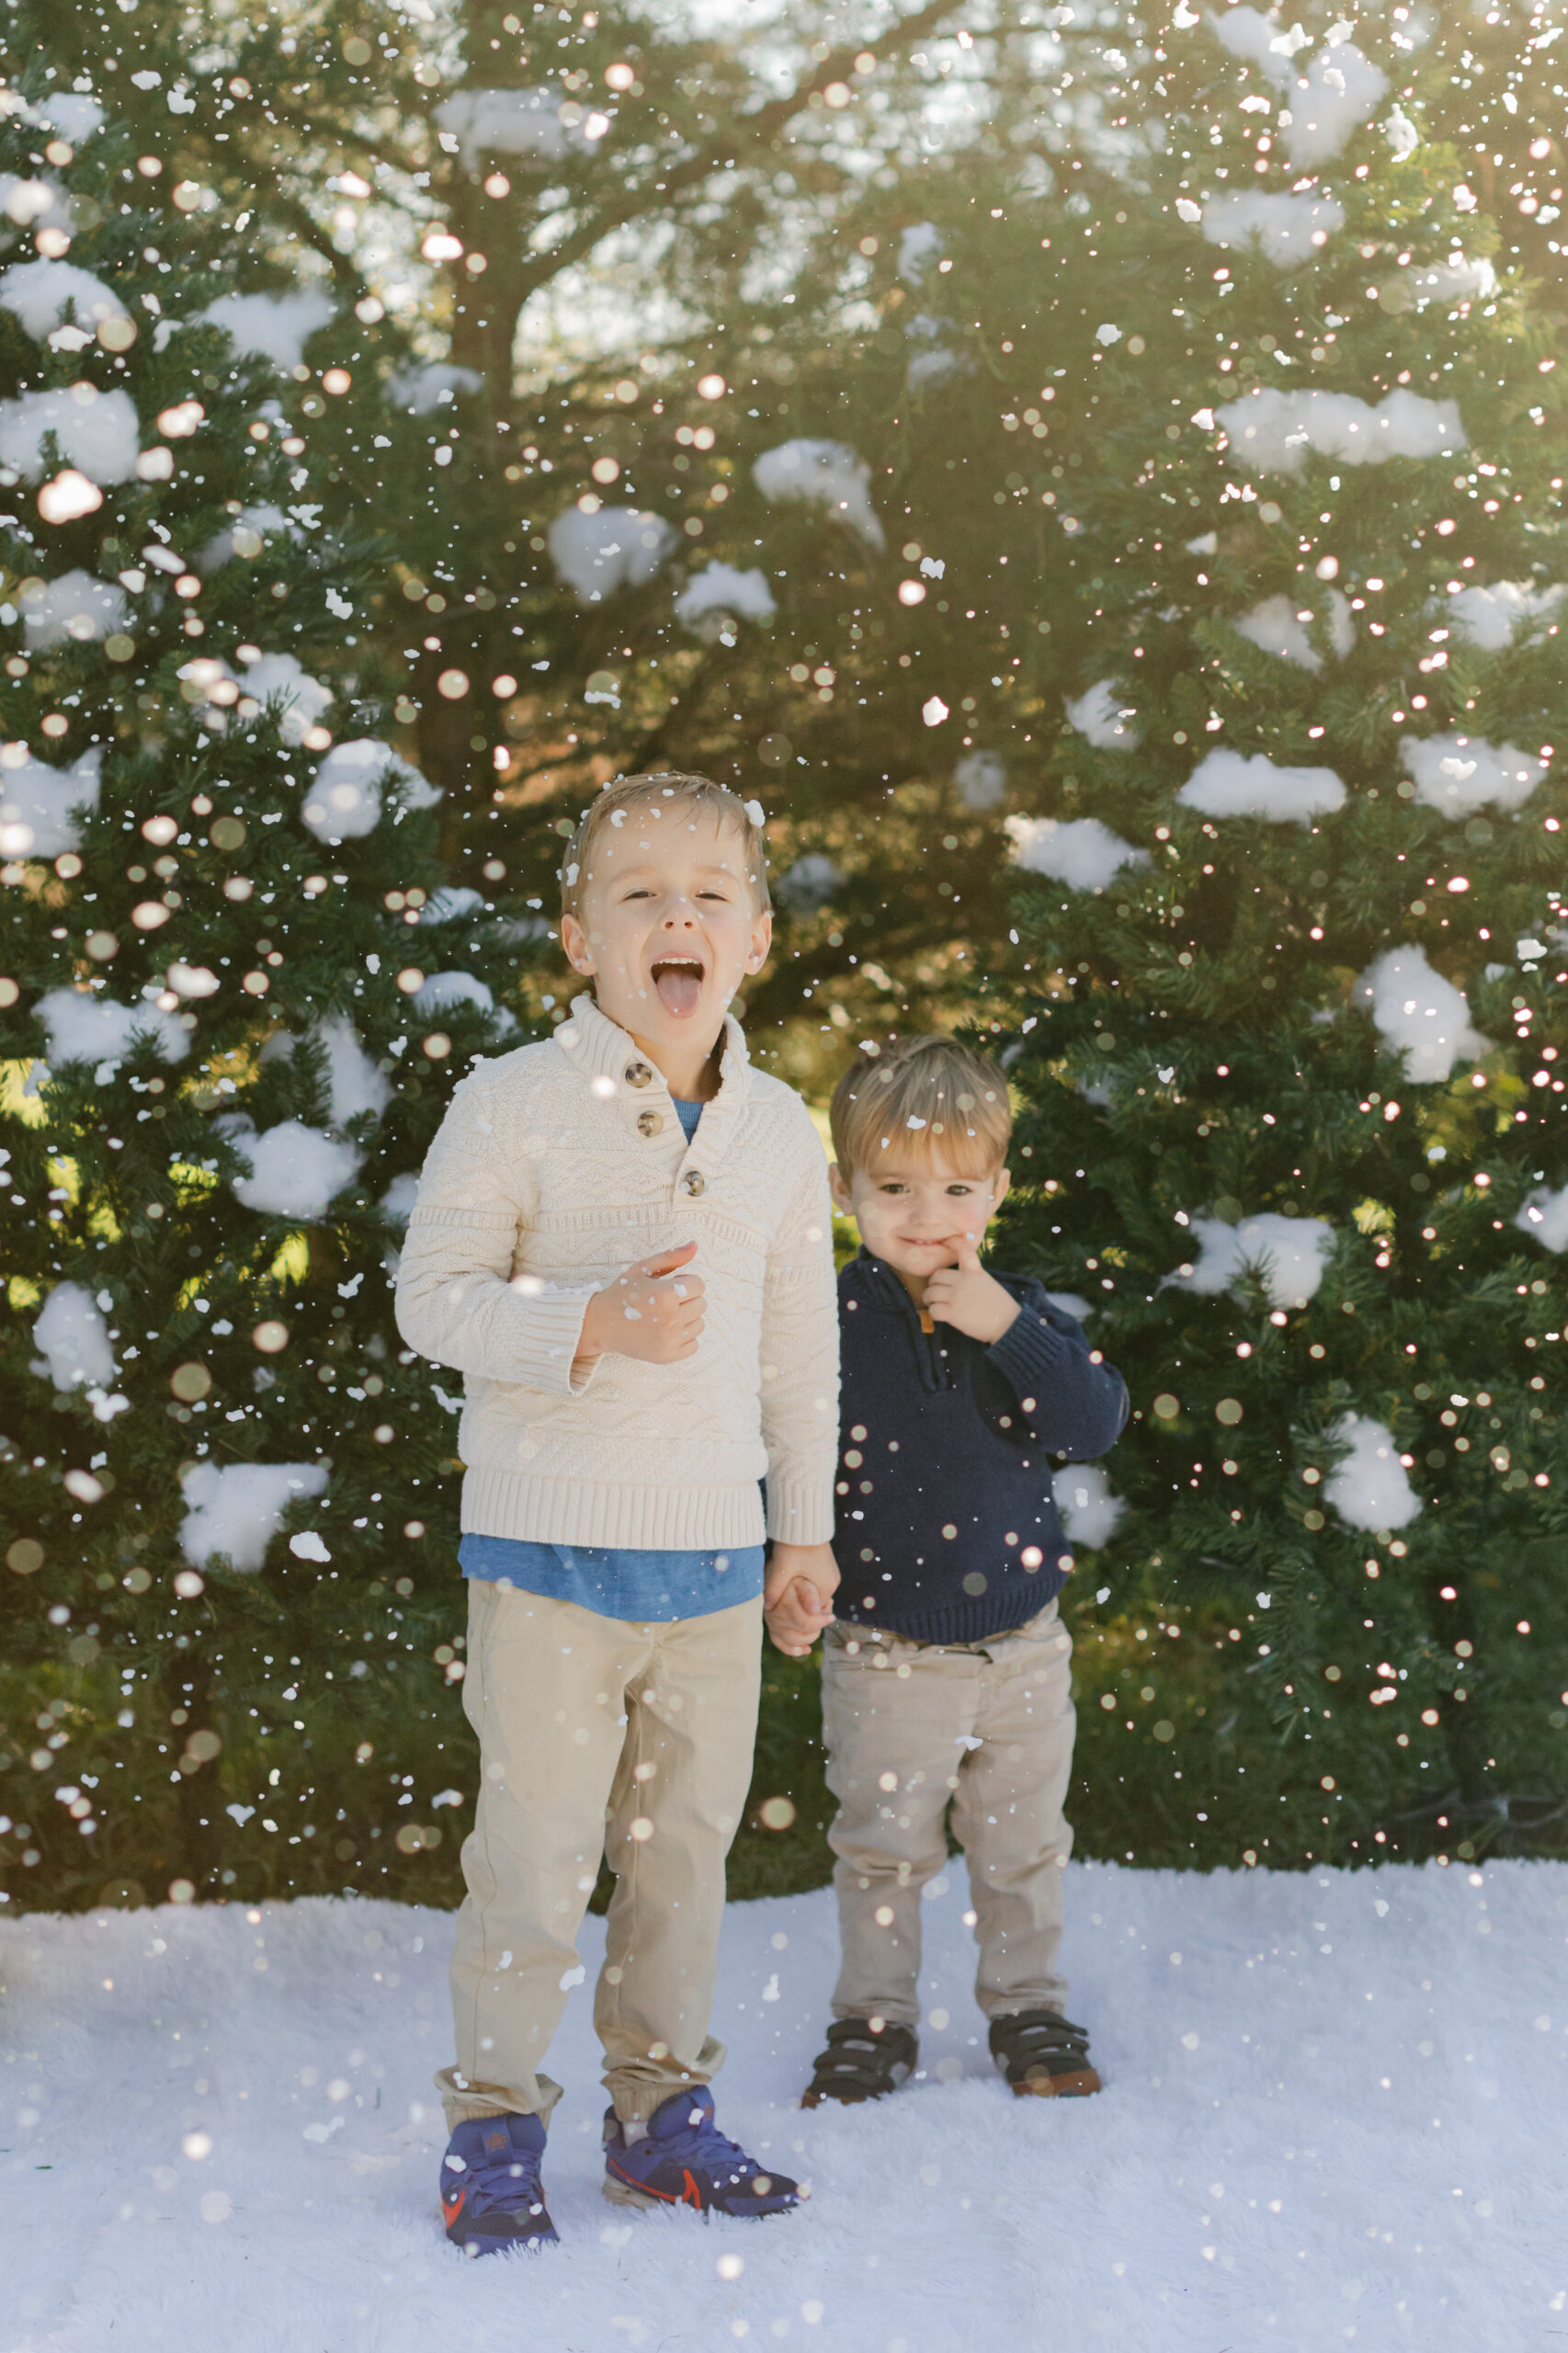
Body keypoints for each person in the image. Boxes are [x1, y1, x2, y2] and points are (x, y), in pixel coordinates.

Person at [396, 771, 839, 2254]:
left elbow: (797, 1347)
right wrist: (587, 1323)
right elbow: (432, 1300)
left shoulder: (780, 1129)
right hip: (547, 1553)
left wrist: (803, 1531)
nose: (678, 916)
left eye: (710, 893)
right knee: (529, 1861)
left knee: (682, 1863)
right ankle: (494, 2127)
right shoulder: (512, 1100)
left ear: (757, 939)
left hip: (714, 1555)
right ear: (579, 938)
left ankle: (660, 2118)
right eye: (638, 893)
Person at [771, 1034, 1128, 2111]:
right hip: (885, 1649)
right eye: (893, 1188)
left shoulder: (1017, 1313)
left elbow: (1094, 1422)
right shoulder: (822, 1325)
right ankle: (871, 2020)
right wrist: (785, 1567)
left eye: (956, 1187)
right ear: (844, 1190)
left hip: (1021, 1643)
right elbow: (782, 1452)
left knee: (1021, 1842)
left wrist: (1007, 1328)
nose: (927, 1217)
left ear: (997, 1189)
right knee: (882, 1849)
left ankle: (1027, 2006)